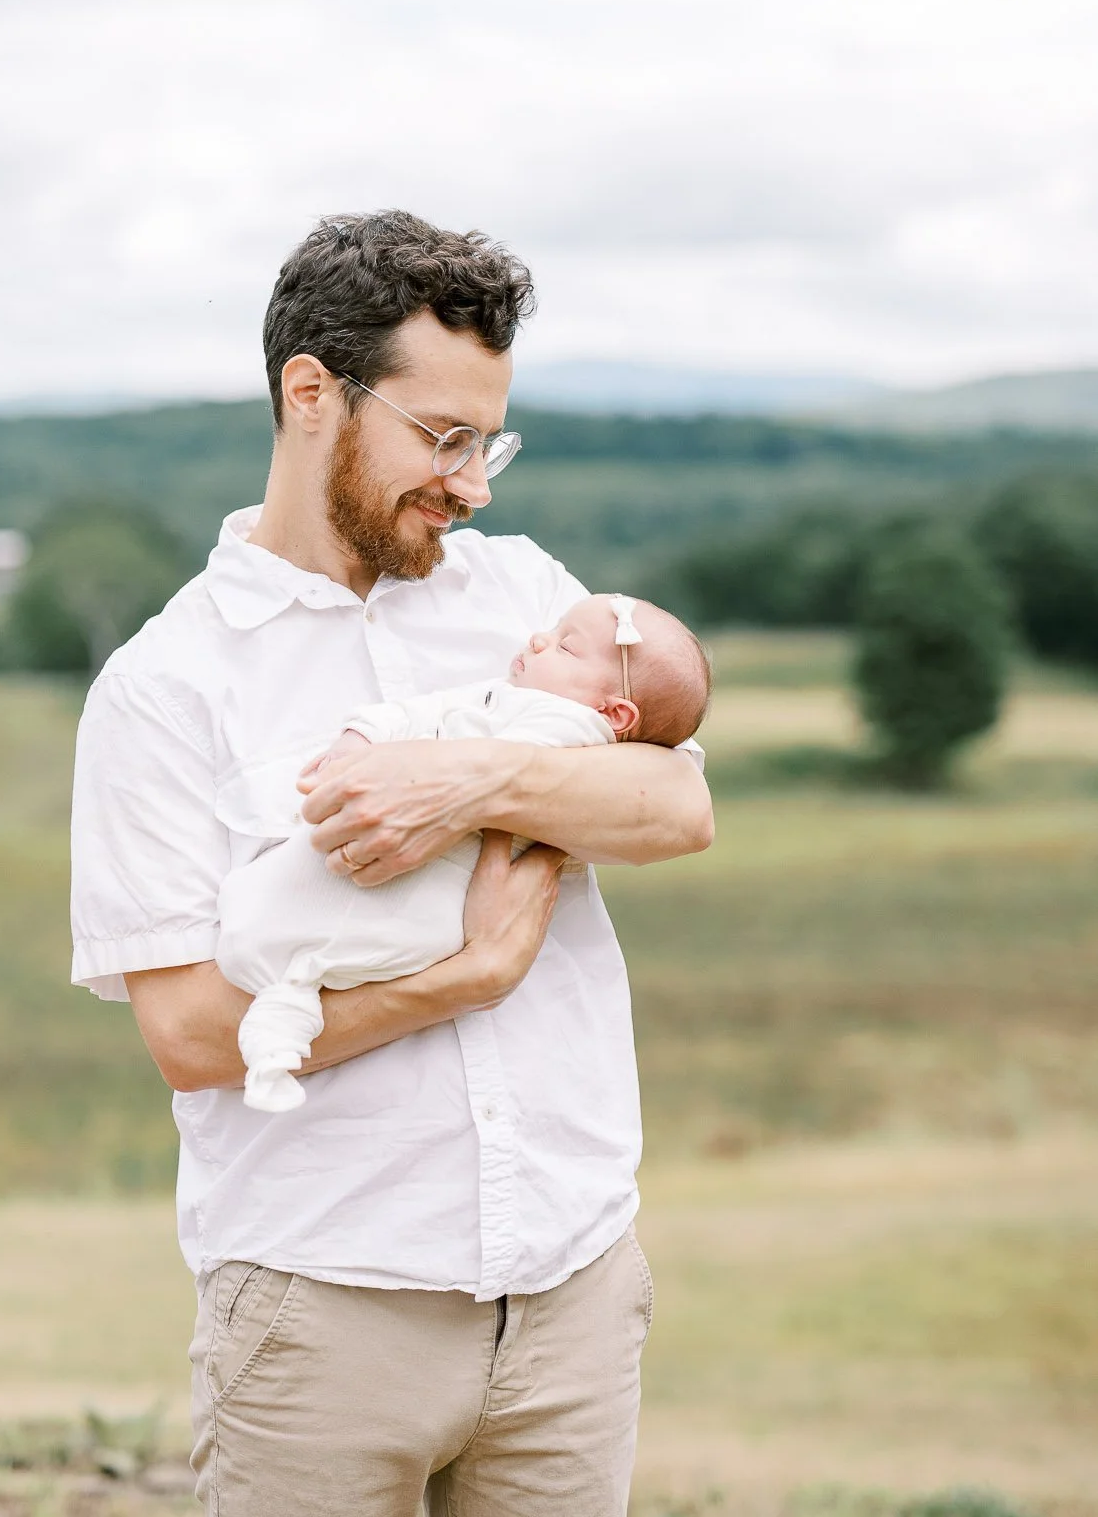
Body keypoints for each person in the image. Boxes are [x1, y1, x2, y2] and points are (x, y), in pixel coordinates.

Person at [69, 210, 714, 1517]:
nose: (474, 483)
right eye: (443, 439)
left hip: (572, 1295)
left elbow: (673, 808)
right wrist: (460, 980)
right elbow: (193, 1035)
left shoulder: (523, 594)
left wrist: (471, 777)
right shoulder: (162, 687)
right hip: (321, 1317)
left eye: (491, 440)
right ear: (312, 396)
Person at [219, 592, 711, 1112]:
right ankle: (282, 1026)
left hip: (431, 902)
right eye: (552, 631)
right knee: (299, 960)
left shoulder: (572, 730)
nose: (537, 639)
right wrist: (363, 737)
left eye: (565, 647)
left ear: (612, 712)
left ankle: (285, 1019)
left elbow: (683, 804)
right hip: (314, 905)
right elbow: (419, 713)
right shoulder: (500, 695)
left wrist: (450, 780)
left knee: (328, 956)